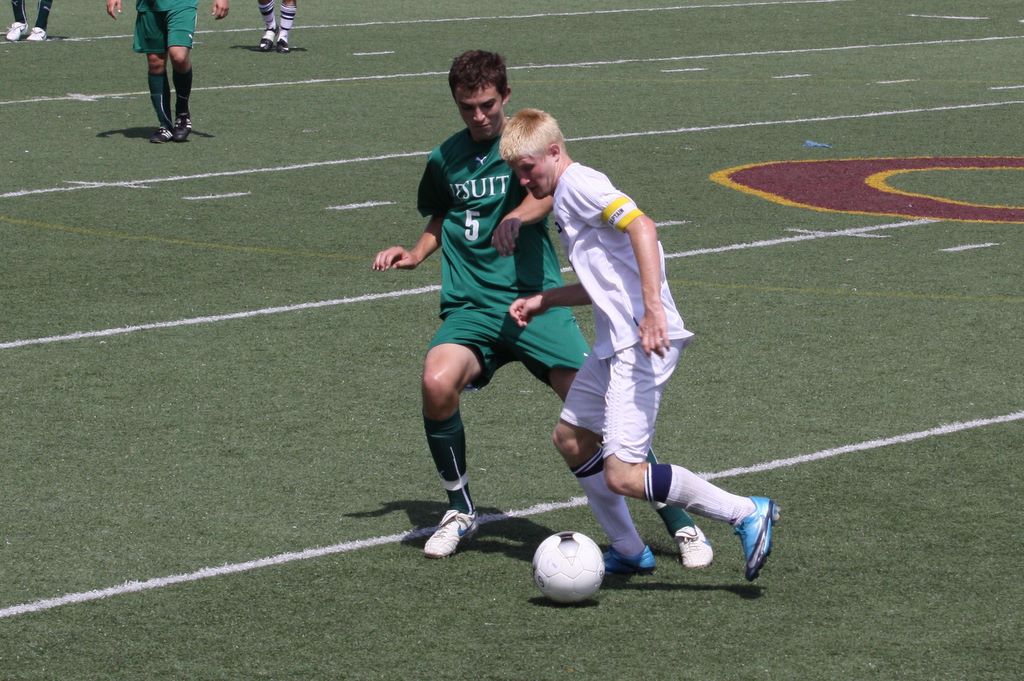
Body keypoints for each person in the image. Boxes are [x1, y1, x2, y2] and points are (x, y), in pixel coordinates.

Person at [372, 50, 713, 574]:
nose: (479, 116)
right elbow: (443, 213)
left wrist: (516, 215)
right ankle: (460, 510)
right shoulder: (444, 158)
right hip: (473, 305)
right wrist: (416, 253)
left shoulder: (524, 148)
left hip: (538, 302)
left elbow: (553, 192)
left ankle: (679, 520)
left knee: (606, 415)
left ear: (505, 96)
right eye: (467, 107)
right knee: (436, 382)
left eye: (488, 105)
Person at [499, 108, 780, 581]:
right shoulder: (564, 194)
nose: (524, 181)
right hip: (616, 343)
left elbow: (642, 227)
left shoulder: (580, 184)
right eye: (516, 173)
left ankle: (745, 512)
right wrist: (545, 300)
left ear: (554, 152)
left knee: (623, 474)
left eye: (528, 168)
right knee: (571, 439)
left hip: (641, 342)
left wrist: (652, 310)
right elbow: (606, 280)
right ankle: (630, 550)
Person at [106, 0, 230, 144]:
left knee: (179, 57)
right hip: (149, 6)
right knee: (155, 62)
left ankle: (182, 114)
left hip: (181, 4)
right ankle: (165, 124)